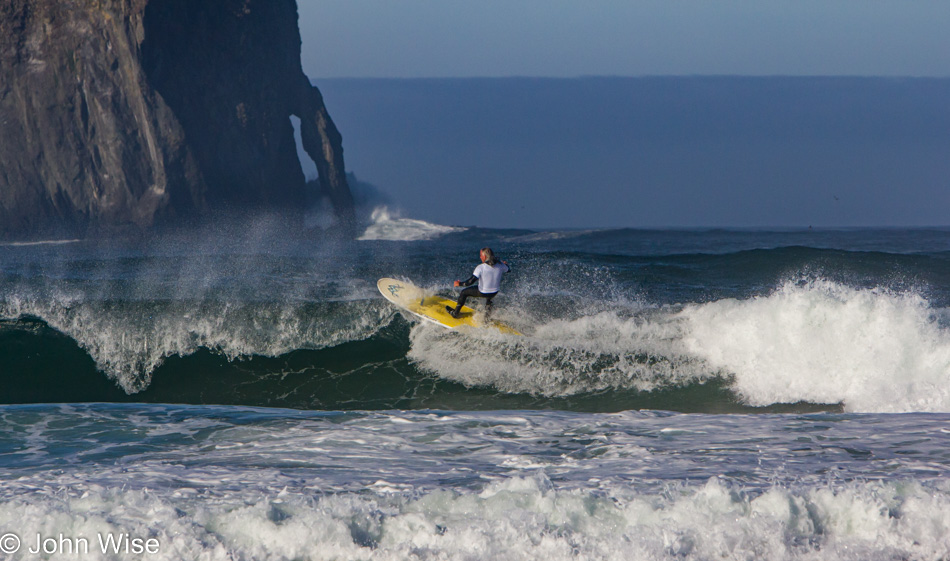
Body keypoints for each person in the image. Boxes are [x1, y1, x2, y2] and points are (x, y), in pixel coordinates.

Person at [446, 247, 510, 318]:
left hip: (482, 292)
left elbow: (470, 282)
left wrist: (459, 283)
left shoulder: (481, 267)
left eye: (480, 255)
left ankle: (455, 313)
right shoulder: (500, 264)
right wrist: (505, 264)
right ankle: (486, 319)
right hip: (494, 292)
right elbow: (508, 270)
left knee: (464, 292)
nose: (480, 257)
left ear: (485, 256)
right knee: (489, 298)